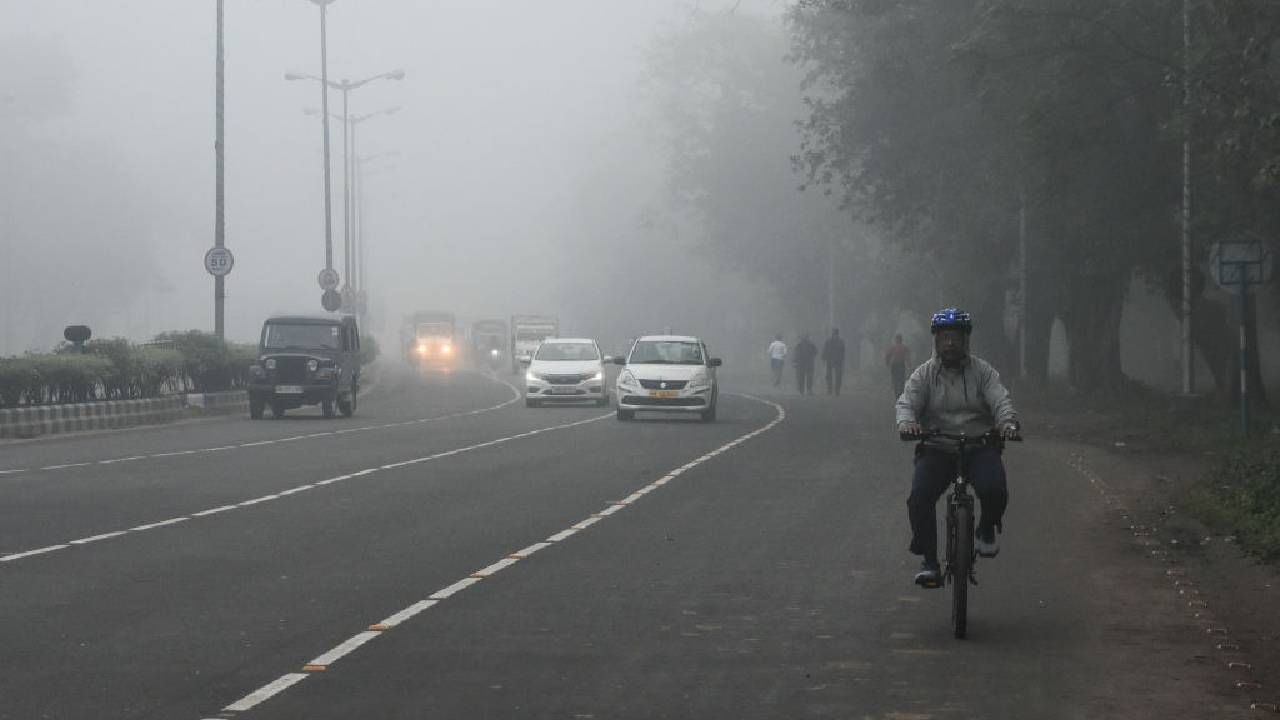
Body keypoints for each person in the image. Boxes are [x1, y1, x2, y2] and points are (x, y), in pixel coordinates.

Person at [895, 308, 1021, 588]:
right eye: (944, 337)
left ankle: (986, 529)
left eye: (956, 337)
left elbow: (1000, 400)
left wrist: (1008, 424)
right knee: (919, 498)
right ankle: (929, 561)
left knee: (995, 490)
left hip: (979, 445)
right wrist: (907, 424)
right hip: (938, 446)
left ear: (966, 341)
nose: (949, 343)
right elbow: (907, 403)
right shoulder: (924, 374)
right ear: (936, 341)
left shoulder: (983, 372)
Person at [821, 329, 846, 396]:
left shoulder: (839, 342)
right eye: (834, 334)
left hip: (837, 361)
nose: (835, 335)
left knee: (838, 376)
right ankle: (830, 390)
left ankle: (836, 390)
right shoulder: (829, 341)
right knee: (829, 376)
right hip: (831, 360)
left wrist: (842, 360)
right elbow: (825, 350)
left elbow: (843, 352)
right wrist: (823, 358)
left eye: (836, 334)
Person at [885, 333, 911, 398]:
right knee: (901, 379)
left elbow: (887, 356)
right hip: (901, 365)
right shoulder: (904, 347)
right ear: (901, 340)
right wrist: (909, 364)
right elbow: (907, 357)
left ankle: (897, 393)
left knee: (895, 379)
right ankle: (901, 393)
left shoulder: (893, 347)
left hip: (895, 365)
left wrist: (887, 363)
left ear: (896, 340)